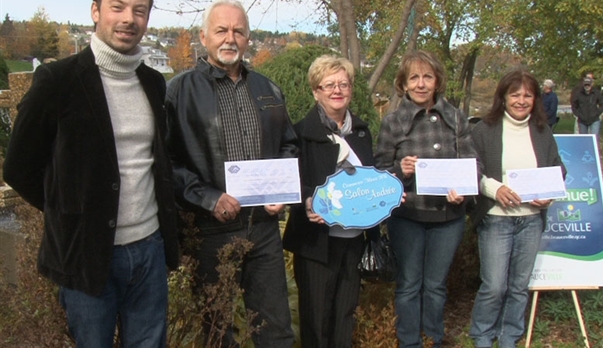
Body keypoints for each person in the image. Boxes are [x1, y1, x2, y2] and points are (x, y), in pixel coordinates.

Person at [2, 0, 179, 346]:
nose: (129, 18)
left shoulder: (153, 83)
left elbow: (158, 160)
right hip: (86, 254)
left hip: (149, 250)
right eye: (118, 7)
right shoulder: (58, 81)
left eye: (139, 10)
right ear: (95, 11)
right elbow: (19, 167)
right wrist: (70, 214)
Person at [165, 1, 295, 346]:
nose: (230, 38)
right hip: (211, 231)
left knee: (276, 330)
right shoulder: (179, 92)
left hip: (263, 228)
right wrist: (207, 198)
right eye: (221, 30)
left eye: (238, 31)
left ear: (248, 38)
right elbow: (166, 162)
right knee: (216, 333)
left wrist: (279, 191)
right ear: (204, 36)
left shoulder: (268, 89)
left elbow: (288, 145)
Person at [374, 50, 480, 348]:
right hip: (408, 217)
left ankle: (433, 337)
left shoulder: (456, 118)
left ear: (437, 82)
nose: (421, 84)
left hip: (449, 218)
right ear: (403, 84)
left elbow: (472, 164)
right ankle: (409, 341)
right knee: (409, 284)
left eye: (427, 77)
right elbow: (380, 172)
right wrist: (400, 169)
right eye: (414, 78)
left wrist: (465, 191)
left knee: (435, 285)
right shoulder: (393, 122)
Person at [282, 55, 375, 348]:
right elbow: (291, 181)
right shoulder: (300, 134)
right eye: (329, 85)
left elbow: (371, 180)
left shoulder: (361, 132)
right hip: (316, 241)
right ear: (316, 91)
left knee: (345, 314)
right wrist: (310, 200)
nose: (337, 90)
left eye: (343, 84)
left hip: (353, 239)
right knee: (316, 318)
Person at [469, 70, 566, 348]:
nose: (521, 100)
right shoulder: (484, 129)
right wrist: (494, 189)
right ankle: (483, 334)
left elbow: (558, 168)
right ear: (503, 97)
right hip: (497, 219)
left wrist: (547, 193)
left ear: (535, 99)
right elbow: (472, 171)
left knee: (519, 285)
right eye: (515, 94)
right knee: (495, 286)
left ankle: (510, 335)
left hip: (531, 220)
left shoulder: (542, 131)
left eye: (527, 95)